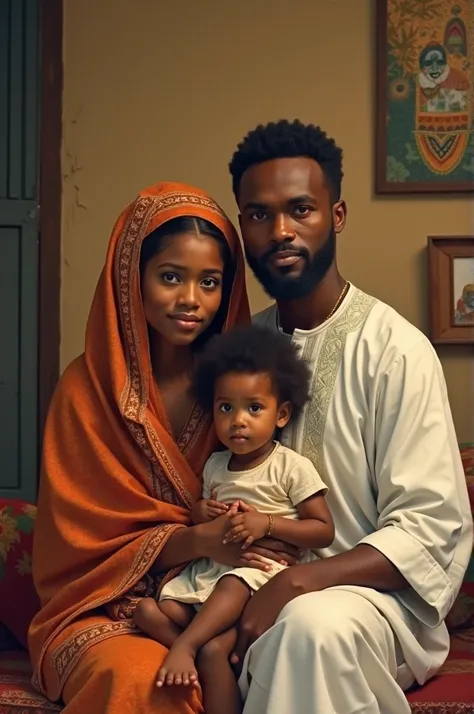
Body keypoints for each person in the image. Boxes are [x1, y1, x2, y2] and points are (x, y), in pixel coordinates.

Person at [226, 120, 473, 714]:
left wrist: (299, 580)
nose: (280, 231)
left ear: (336, 216)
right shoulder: (239, 350)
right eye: (259, 215)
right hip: (248, 594)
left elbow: (429, 528)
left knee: (312, 629)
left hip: (374, 606)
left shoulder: (395, 349)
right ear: (242, 228)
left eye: (300, 209)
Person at [28, 182, 301, 714]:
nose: (190, 301)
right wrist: (200, 539)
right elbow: (78, 546)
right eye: (171, 277)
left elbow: (273, 501)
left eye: (211, 282)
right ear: (131, 280)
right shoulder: (85, 391)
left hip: (216, 597)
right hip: (101, 608)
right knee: (144, 681)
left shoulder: (242, 391)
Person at [133, 325, 334, 714]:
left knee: (222, 610)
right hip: (213, 571)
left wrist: (268, 524)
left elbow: (323, 530)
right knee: (151, 611)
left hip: (259, 574)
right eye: (226, 408)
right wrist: (199, 513)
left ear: (282, 414)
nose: (238, 420)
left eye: (253, 408)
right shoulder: (215, 464)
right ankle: (192, 640)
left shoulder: (290, 466)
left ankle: (184, 646)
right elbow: (203, 514)